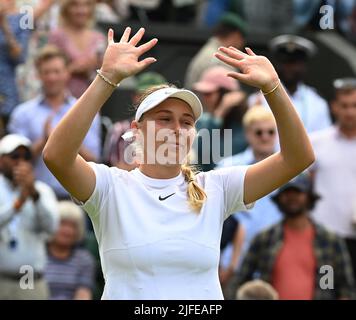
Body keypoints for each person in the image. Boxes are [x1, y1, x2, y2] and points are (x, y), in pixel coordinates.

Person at [42, 26, 314, 299]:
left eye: (186, 122)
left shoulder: (216, 187)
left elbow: (298, 158)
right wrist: (106, 79)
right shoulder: (110, 186)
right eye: (164, 119)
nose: (176, 128)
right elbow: (56, 156)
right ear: (137, 130)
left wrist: (273, 88)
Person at [227, 174, 355, 300]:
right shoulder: (265, 239)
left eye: (298, 192)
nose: (292, 198)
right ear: (279, 198)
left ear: (309, 197)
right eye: (287, 193)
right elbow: (239, 280)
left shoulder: (330, 241)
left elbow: (346, 288)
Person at [8, 45, 101, 200]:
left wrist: (66, 141)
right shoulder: (23, 113)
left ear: (67, 73)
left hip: (76, 198)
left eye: (56, 71)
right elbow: (13, 163)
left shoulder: (86, 111)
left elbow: (94, 160)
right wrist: (44, 141)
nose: (52, 77)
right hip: (34, 196)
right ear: (39, 75)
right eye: (46, 72)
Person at [217, 106, 282, 270]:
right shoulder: (227, 167)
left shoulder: (291, 171)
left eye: (271, 132)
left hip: (277, 257)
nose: (265, 137)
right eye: (259, 132)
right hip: (232, 261)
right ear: (247, 134)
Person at [0, 134, 59, 299]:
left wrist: (34, 195)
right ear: (1, 160)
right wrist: (18, 203)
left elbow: (51, 228)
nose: (20, 161)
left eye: (26, 156)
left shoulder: (42, 190)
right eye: (14, 156)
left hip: (30, 279)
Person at [310, 77, 356, 281]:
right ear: (334, 107)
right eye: (344, 106)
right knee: (326, 289)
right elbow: (306, 185)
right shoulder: (317, 142)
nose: (349, 112)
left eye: (354, 105)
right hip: (326, 238)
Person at [248, 35, 331, 134]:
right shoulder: (258, 99)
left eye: (294, 63)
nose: (289, 68)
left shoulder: (318, 102)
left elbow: (323, 141)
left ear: (304, 66)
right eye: (285, 62)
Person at [193, 65, 248, 171]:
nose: (203, 98)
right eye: (202, 93)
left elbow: (220, 157)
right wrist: (219, 116)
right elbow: (201, 156)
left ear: (225, 94)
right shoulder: (204, 121)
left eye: (208, 94)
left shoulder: (244, 123)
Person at [48, 0, 106, 98]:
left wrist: (92, 68)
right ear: (66, 9)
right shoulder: (57, 36)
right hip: (62, 99)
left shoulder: (99, 38)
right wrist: (73, 69)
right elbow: (49, 70)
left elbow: (105, 74)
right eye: (75, 5)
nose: (81, 11)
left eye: (86, 5)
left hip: (91, 98)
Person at [45, 201, 95, 300]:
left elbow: (83, 295)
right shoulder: (36, 256)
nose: (67, 231)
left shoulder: (84, 260)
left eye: (73, 226)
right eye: (62, 224)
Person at [184, 12, 247, 90]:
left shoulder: (208, 51)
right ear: (236, 35)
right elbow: (231, 98)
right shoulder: (220, 60)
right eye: (242, 39)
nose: (242, 44)